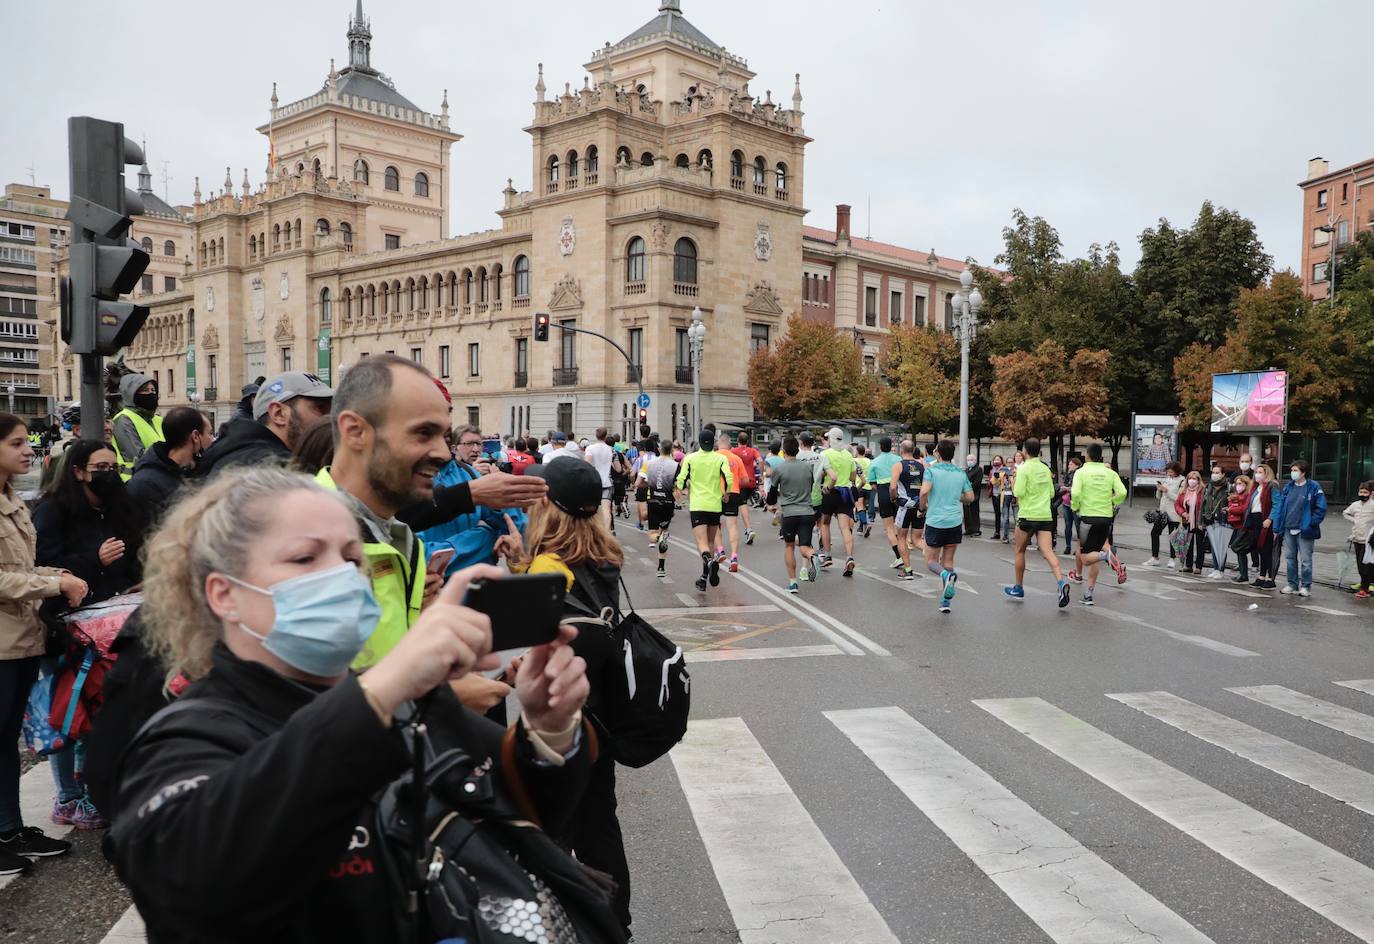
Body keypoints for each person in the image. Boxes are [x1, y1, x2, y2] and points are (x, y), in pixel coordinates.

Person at [110, 466, 607, 943]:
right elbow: (190, 885)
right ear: (225, 595)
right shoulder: (189, 735)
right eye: (305, 559)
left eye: (352, 559)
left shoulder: (412, 703)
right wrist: (387, 685)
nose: (342, 578)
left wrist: (546, 727)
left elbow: (524, 817)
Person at [509, 459, 633, 937]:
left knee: (551, 832)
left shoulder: (546, 567)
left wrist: (522, 569)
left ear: (545, 506)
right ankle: (616, 925)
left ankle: (562, 926)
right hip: (601, 714)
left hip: (560, 718)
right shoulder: (607, 553)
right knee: (601, 822)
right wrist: (523, 565)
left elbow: (532, 635)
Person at [0, 415, 88, 876]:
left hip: (19, 638)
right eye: (16, 443)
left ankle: (10, 828)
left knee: (6, 743)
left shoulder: (11, 500)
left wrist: (57, 577)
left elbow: (22, 566)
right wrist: (54, 586)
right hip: (2, 641)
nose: (28, 449)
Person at [34, 439, 145, 605]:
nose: (109, 473)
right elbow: (43, 567)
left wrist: (138, 581)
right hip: (75, 607)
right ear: (79, 472)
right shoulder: (52, 510)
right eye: (101, 467)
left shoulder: (122, 507)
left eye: (114, 468)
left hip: (122, 601)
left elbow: (135, 552)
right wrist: (95, 558)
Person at [418, 423, 528, 576]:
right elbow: (419, 557)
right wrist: (484, 538)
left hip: (476, 585)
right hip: (431, 588)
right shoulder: (409, 480)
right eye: (469, 444)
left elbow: (514, 528)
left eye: (478, 444)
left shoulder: (468, 474)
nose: (476, 449)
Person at [196, 371, 333, 477]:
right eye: (320, 408)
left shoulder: (233, 457)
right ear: (279, 414)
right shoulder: (277, 474)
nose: (330, 417)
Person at [1003, 438, 1070, 608]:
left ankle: (1018, 587)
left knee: (1019, 550)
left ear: (1025, 451)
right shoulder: (1045, 468)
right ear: (1040, 451)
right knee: (1048, 552)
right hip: (1045, 515)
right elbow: (1050, 492)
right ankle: (1061, 583)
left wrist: (1012, 480)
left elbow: (1018, 492)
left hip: (1027, 515)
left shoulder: (1023, 469)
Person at [126, 407, 213, 525]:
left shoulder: (197, 471)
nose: (212, 439)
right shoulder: (144, 485)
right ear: (196, 436)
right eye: (210, 433)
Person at [1068, 443, 1128, 606]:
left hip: (1088, 518)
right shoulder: (1110, 473)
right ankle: (1089, 593)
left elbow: (1076, 492)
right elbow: (1122, 492)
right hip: (1106, 518)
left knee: (1086, 557)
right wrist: (1112, 501)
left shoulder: (1081, 472)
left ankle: (1106, 555)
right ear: (1101, 456)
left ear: (1087, 455)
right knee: (1093, 555)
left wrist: (1075, 506)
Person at [675, 429, 733, 592]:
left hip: (698, 505)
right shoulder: (721, 458)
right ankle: (703, 577)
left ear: (699, 443)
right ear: (713, 442)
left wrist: (678, 489)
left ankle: (708, 563)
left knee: (701, 544)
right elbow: (729, 478)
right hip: (715, 506)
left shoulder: (690, 459)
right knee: (710, 542)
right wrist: (726, 493)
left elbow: (681, 478)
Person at [919, 440, 973, 613]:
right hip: (955, 521)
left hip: (936, 520)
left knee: (931, 561)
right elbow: (970, 497)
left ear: (938, 453)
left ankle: (945, 575)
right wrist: (957, 498)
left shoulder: (931, 471)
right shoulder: (960, 473)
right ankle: (945, 602)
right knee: (948, 560)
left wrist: (922, 506)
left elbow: (924, 491)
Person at [1270, 458, 1328, 597]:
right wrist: (1277, 527)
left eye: (1295, 470)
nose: (1292, 473)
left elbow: (1321, 507)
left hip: (1304, 529)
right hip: (1288, 527)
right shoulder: (1289, 487)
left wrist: (1311, 523)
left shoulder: (1313, 486)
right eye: (1292, 470)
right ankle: (1292, 584)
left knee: (1306, 560)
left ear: (1303, 472)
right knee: (1290, 558)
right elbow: (1281, 508)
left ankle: (1306, 586)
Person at [772, 436, 820, 593]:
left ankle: (793, 583)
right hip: (807, 512)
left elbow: (771, 496)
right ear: (797, 450)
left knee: (789, 545)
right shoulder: (807, 467)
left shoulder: (780, 468)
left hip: (789, 513)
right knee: (805, 546)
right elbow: (811, 484)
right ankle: (813, 556)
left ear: (784, 451)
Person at [819, 427, 859, 577]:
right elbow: (853, 477)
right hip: (844, 493)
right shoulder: (849, 455)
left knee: (825, 523)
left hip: (829, 491)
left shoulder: (824, 454)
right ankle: (849, 557)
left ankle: (827, 555)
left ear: (831, 439)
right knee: (844, 528)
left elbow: (821, 474)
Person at [110, 372, 164, 479]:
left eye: (153, 390)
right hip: (134, 481)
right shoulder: (123, 419)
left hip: (159, 477)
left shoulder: (158, 420)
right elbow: (137, 455)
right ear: (131, 394)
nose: (151, 394)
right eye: (145, 390)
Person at [640, 440, 679, 579]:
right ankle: (661, 567)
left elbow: (639, 483)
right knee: (664, 531)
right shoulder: (675, 465)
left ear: (659, 449)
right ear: (671, 450)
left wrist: (649, 483)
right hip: (668, 501)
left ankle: (659, 538)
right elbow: (678, 485)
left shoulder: (649, 464)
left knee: (652, 534)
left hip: (654, 500)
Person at [866, 437, 903, 568]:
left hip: (883, 492)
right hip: (898, 491)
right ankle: (904, 552)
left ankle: (899, 556)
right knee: (898, 525)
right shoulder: (898, 459)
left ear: (881, 446)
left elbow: (872, 482)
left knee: (888, 528)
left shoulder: (875, 462)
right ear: (891, 445)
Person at [888, 440, 922, 580]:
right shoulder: (922, 465)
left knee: (901, 537)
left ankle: (908, 570)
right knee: (917, 539)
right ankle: (932, 554)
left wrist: (894, 499)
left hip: (905, 506)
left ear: (901, 450)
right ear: (913, 450)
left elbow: (893, 487)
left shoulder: (898, 466)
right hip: (920, 505)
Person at [715, 433, 749, 572]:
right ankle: (734, 556)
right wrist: (735, 482)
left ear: (718, 443)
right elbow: (746, 480)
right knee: (732, 525)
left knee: (715, 524)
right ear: (729, 444)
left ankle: (721, 550)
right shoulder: (736, 459)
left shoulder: (713, 457)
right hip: (734, 492)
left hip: (716, 494)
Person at [1143, 463, 1185, 567]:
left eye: (1171, 471)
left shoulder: (1182, 481)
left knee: (1173, 536)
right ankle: (1155, 557)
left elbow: (1178, 499)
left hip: (1174, 513)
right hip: (1162, 512)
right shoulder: (1166, 479)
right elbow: (1158, 497)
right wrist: (1159, 489)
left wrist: (1167, 491)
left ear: (1177, 471)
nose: (1169, 473)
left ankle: (1172, 558)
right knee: (1154, 533)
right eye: (1168, 471)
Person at [1246, 463, 1280, 590]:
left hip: (1265, 519)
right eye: (1256, 472)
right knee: (1260, 549)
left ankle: (1270, 578)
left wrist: (1270, 519)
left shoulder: (1272, 486)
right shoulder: (1255, 487)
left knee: (1267, 549)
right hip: (1255, 520)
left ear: (1267, 473)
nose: (1257, 474)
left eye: (1260, 472)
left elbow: (1277, 504)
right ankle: (1261, 576)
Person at [1173, 470, 1207, 576]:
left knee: (1200, 544)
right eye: (1190, 478)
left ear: (1198, 480)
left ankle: (1198, 566)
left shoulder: (1202, 491)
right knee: (1187, 544)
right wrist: (1183, 513)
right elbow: (1177, 504)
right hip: (1186, 521)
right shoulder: (1183, 491)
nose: (1192, 481)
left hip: (1198, 521)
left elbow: (1205, 505)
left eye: (1194, 479)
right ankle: (1188, 565)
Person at [1344, 480, 1374, 599]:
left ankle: (1365, 588)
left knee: (1365, 564)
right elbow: (1345, 513)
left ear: (1370, 493)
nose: (1362, 494)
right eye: (1361, 492)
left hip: (1368, 540)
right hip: (1356, 538)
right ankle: (1363, 584)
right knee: (1359, 564)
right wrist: (1354, 521)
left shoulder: (1372, 505)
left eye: (1365, 492)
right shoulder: (1355, 505)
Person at [1202, 462, 1232, 579]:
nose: (1214, 475)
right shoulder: (1209, 486)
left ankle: (1221, 569)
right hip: (1211, 519)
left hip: (1223, 519)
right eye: (1213, 472)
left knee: (1221, 546)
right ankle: (1215, 568)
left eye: (1217, 473)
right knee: (1214, 545)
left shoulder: (1228, 487)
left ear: (1223, 474)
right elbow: (1204, 504)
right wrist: (1202, 520)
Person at [730, 431, 760, 545]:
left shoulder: (734, 451)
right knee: (745, 503)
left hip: (741, 482)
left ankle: (749, 529)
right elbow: (760, 461)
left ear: (738, 440)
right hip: (751, 481)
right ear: (747, 441)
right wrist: (760, 473)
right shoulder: (753, 451)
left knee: (743, 506)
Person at [583, 427, 615, 528]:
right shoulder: (610, 449)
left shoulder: (590, 448)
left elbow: (587, 464)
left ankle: (592, 530)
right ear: (606, 436)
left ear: (596, 435)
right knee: (606, 509)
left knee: (591, 509)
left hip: (593, 482)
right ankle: (606, 532)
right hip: (606, 482)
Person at [1228, 475, 1253, 583]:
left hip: (1245, 526)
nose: (1238, 486)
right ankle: (1242, 574)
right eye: (1237, 483)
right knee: (1239, 550)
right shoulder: (1236, 496)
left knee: (1239, 548)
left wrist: (1231, 510)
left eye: (1241, 483)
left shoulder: (1247, 495)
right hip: (1237, 525)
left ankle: (1244, 574)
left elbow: (1244, 509)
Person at [1059, 456, 1082, 556]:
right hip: (1066, 502)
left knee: (1078, 526)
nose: (1069, 466)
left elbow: (1077, 488)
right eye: (1069, 464)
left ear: (1077, 465)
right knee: (1068, 526)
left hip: (1076, 504)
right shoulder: (1068, 474)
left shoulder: (1079, 474)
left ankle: (1079, 548)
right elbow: (1066, 484)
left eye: (1071, 464)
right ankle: (1068, 546)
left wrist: (1067, 489)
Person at [963, 454, 984, 537]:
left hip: (974, 493)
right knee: (966, 511)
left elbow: (977, 482)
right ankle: (968, 529)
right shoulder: (966, 470)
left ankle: (976, 529)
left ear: (975, 460)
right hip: (965, 493)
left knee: (974, 511)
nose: (970, 461)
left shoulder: (978, 469)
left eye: (971, 459)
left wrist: (968, 486)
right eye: (968, 460)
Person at [988, 455, 1008, 541]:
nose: (996, 461)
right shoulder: (992, 470)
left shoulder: (1004, 469)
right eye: (995, 459)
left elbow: (1006, 481)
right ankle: (997, 532)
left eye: (998, 459)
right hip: (994, 494)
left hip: (1002, 493)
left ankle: (1005, 534)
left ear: (1001, 460)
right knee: (997, 514)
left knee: (1005, 514)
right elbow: (991, 482)